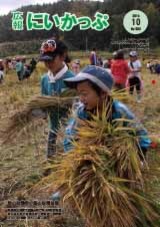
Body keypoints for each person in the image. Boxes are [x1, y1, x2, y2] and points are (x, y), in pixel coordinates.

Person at [63, 65, 151, 156]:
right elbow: (69, 137)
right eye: (79, 94)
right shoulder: (81, 112)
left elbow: (141, 134)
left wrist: (140, 155)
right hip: (91, 157)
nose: (81, 99)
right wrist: (75, 158)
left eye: (84, 94)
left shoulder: (120, 111)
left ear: (103, 93)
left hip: (117, 157)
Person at [39, 38, 75, 159]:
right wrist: (39, 112)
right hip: (53, 128)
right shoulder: (44, 79)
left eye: (51, 60)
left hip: (70, 130)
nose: (48, 64)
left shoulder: (72, 80)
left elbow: (79, 107)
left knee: (68, 159)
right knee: (51, 159)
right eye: (45, 61)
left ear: (62, 56)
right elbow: (43, 103)